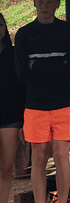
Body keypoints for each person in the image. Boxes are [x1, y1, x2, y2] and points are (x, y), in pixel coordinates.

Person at [15, 0, 70, 203]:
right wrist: (57, 65)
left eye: (50, 1)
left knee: (62, 155)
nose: (45, 5)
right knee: (39, 156)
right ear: (34, 2)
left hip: (66, 102)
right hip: (35, 104)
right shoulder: (24, 35)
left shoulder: (69, 32)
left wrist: (38, 65)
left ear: (57, 4)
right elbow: (23, 74)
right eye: (41, 1)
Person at [0, 12, 24, 203]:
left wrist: (25, 118)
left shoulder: (14, 53)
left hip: (11, 116)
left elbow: (23, 85)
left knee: (6, 168)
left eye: (0, 24)